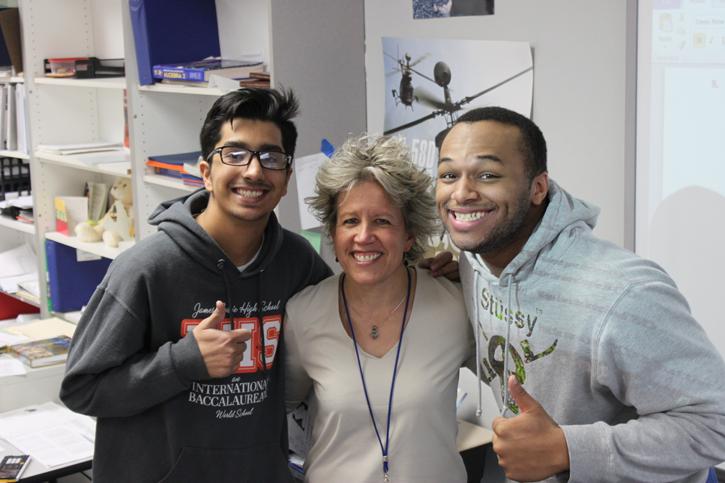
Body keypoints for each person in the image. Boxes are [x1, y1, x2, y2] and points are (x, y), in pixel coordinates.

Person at [435, 106, 725, 482]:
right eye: (448, 174)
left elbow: (715, 421)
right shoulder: (474, 265)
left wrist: (566, 449)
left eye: (488, 174)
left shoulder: (623, 292)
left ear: (538, 188)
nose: (462, 192)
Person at [60, 88, 332, 482]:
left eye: (270, 157)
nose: (254, 171)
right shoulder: (145, 268)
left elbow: (349, 310)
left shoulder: (296, 261)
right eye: (235, 154)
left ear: (287, 178)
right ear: (205, 172)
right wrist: (182, 362)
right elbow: (82, 389)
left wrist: (425, 272)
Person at [284, 135, 474, 483]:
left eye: (383, 221)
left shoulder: (455, 305)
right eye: (350, 221)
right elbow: (280, 407)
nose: (364, 236)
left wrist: (474, 275)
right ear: (333, 234)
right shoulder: (302, 314)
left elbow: (513, 372)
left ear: (409, 235)